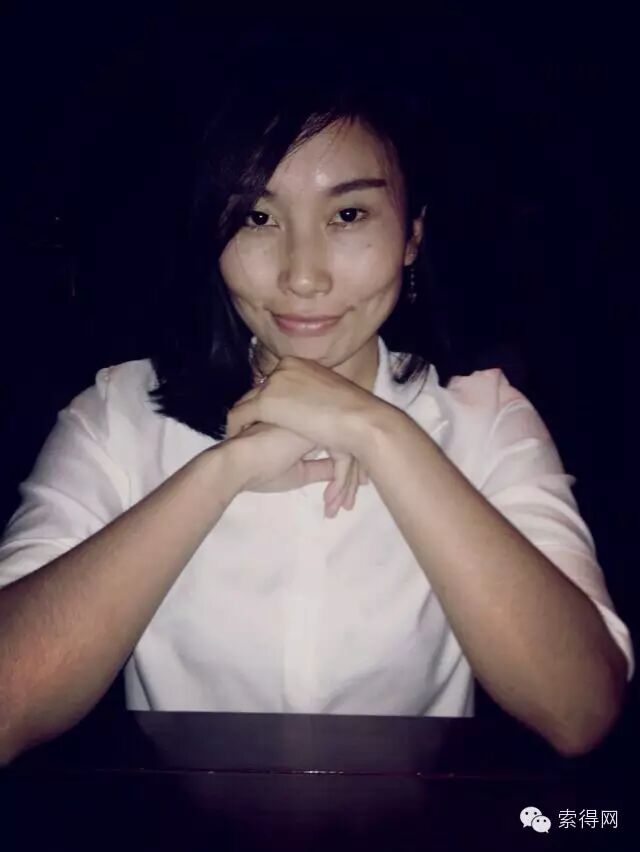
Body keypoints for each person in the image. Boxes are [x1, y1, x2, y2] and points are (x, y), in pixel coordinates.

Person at [0, 65, 633, 767]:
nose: (303, 276)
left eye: (349, 215)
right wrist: (224, 470)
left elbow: (580, 708)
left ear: (412, 236)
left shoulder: (485, 419)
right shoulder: (116, 414)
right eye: (257, 217)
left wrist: (377, 430)